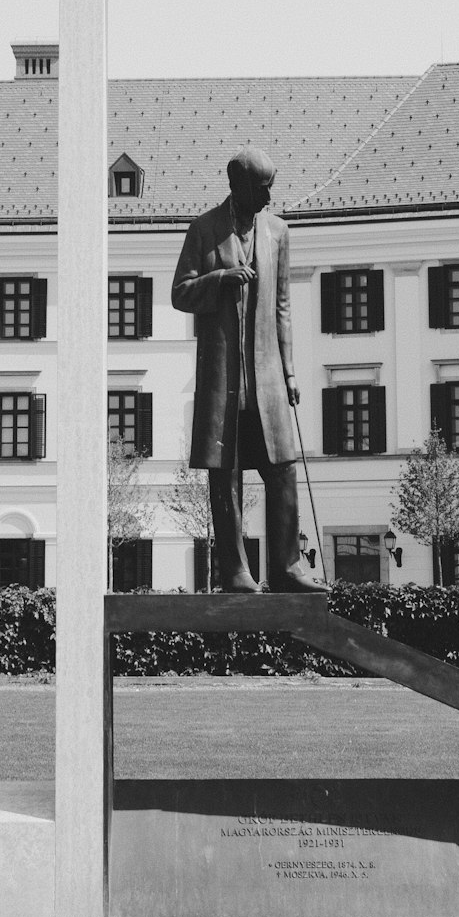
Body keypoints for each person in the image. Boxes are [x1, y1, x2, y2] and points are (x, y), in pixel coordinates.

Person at [171, 146, 324, 593]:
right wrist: (219, 280)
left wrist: (291, 373)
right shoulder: (203, 230)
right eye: (262, 189)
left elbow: (282, 309)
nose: (269, 198)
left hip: (269, 379)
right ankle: (236, 571)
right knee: (227, 474)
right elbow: (180, 293)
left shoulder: (278, 232)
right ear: (237, 187)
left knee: (282, 469)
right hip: (223, 378)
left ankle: (287, 567)